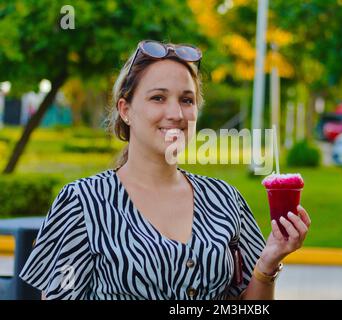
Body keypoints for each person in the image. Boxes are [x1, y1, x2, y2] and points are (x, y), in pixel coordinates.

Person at [19, 40, 311, 300]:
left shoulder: (225, 200)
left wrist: (267, 264)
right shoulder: (82, 203)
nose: (176, 114)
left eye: (187, 100)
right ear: (125, 109)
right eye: (158, 97)